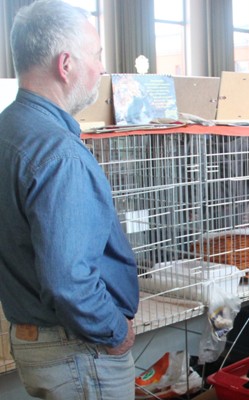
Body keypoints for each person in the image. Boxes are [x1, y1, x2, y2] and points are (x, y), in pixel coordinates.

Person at [0, 1, 139, 399]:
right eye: (96, 56)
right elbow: (69, 281)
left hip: (34, 340)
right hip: (78, 351)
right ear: (66, 65)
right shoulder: (59, 153)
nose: (100, 68)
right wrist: (115, 331)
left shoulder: (9, 130)